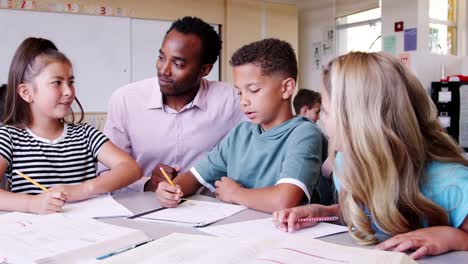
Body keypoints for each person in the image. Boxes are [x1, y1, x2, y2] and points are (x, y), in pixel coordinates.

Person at [273, 52, 468, 259]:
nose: (321, 119)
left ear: (360, 122)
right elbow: (370, 215)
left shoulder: (452, 182)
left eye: (327, 112)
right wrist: (325, 212)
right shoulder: (346, 164)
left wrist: (453, 237)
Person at [156, 38, 324, 213]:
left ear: (286, 88)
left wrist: (236, 194)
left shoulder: (304, 133)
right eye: (239, 92)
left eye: (253, 90)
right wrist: (171, 189)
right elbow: (194, 177)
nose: (243, 101)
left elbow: (284, 200)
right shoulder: (240, 133)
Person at [99, 16, 244, 192]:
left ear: (205, 70)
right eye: (161, 57)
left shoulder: (231, 101)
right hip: (141, 210)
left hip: (210, 210)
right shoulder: (125, 100)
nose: (163, 70)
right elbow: (106, 174)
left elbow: (253, 157)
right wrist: (146, 184)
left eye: (178, 64)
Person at [0, 37, 141, 214]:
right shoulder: (8, 137)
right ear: (26, 92)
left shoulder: (85, 134)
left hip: (92, 231)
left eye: (71, 82)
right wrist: (32, 204)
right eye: (57, 83)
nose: (68, 91)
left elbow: (131, 168)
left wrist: (83, 190)